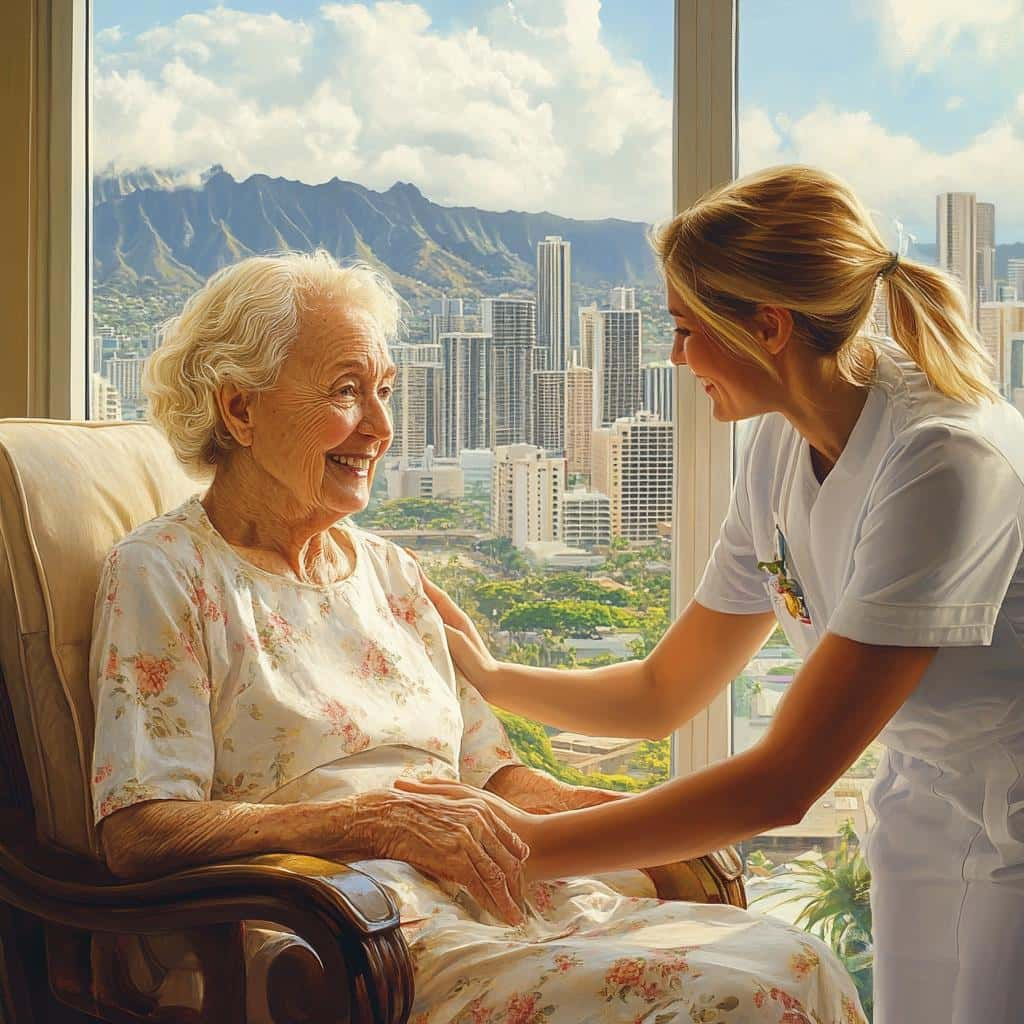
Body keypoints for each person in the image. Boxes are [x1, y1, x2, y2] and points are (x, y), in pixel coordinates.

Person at [90, 250, 863, 1023]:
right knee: (736, 999)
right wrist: (371, 822)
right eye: (347, 392)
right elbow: (140, 828)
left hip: (502, 895)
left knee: (798, 961)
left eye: (386, 392)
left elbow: (494, 780)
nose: (382, 427)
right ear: (240, 409)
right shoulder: (166, 572)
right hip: (346, 935)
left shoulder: (391, 573)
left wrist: (617, 815)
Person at [404, 165, 1024, 1024]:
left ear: (767, 326)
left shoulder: (946, 460)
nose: (673, 356)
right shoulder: (779, 446)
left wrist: (498, 851)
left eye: (686, 329)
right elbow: (666, 692)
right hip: (924, 803)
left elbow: (780, 785)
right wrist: (490, 675)